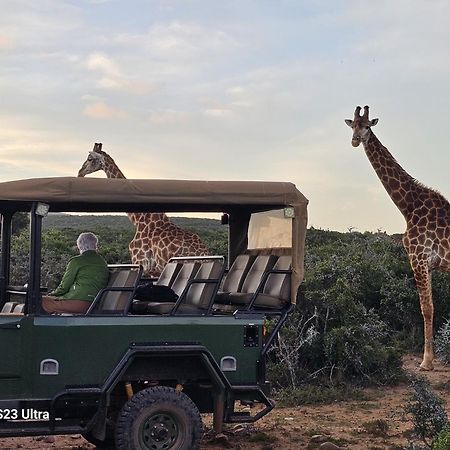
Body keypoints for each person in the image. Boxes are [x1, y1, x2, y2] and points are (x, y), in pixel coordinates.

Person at [42, 232, 109, 314]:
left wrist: (51, 294)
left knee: (40, 302)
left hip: (79, 302)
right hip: (95, 302)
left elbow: (64, 286)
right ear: (95, 245)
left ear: (79, 245)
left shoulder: (76, 261)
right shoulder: (102, 261)